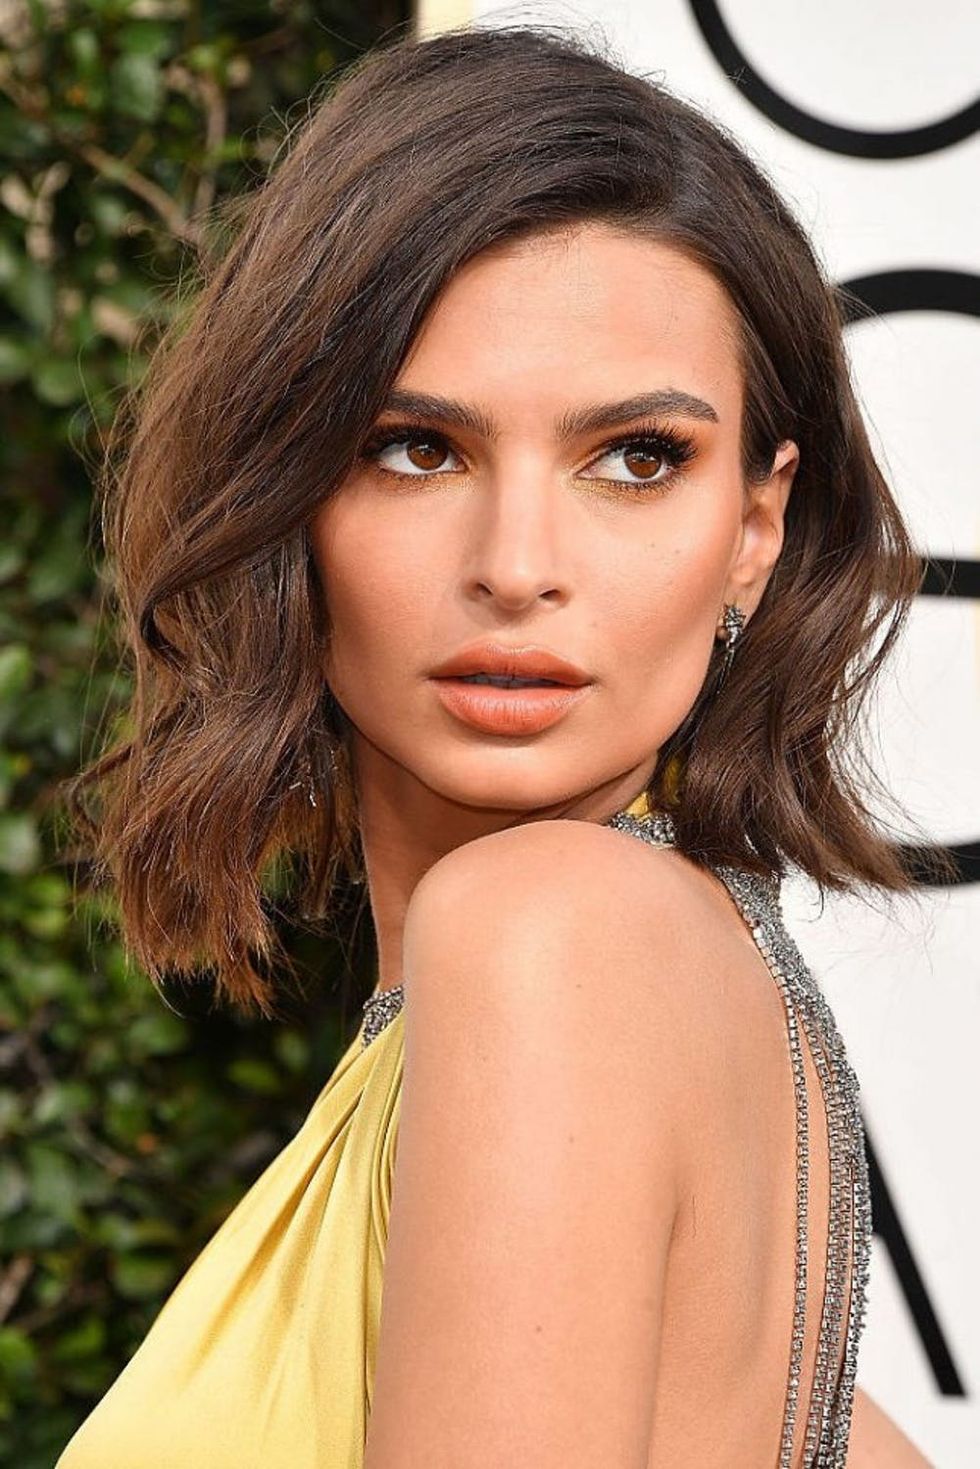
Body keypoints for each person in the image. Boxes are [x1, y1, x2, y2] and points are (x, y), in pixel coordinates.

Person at [56, 22, 938, 1469]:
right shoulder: (703, 1083)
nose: (517, 563)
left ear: (756, 530)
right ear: (289, 489)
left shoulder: (548, 934)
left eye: (637, 457)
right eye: (417, 447)